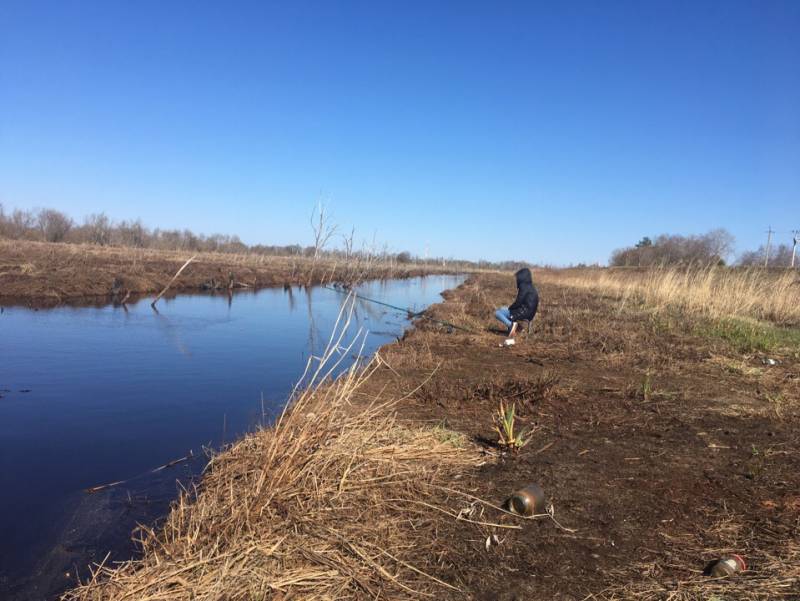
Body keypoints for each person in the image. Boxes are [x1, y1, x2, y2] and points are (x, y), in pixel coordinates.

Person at [495, 267, 539, 346]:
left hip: (523, 312)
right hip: (530, 313)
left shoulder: (523, 286)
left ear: (522, 277)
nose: (517, 279)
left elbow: (519, 301)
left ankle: (512, 326)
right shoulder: (531, 286)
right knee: (503, 309)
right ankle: (514, 328)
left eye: (518, 277)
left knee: (497, 313)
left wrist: (511, 308)